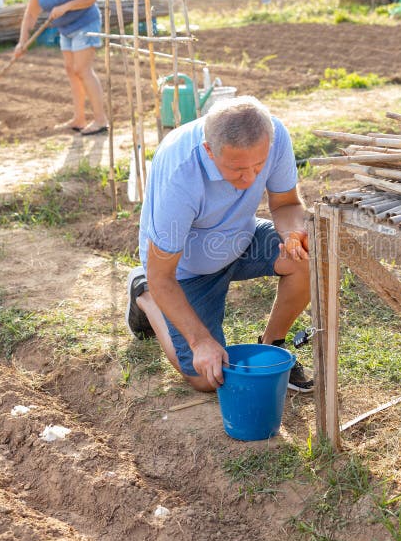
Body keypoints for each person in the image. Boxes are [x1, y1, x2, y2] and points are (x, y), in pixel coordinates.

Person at [125, 96, 314, 393]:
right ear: (209, 151)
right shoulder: (181, 175)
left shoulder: (273, 135)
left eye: (259, 166)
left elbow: (286, 203)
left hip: (240, 237)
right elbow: (163, 276)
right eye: (237, 169)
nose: (251, 177)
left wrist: (292, 233)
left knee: (308, 260)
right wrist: (200, 341)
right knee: (206, 378)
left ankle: (272, 346)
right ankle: (145, 296)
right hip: (182, 268)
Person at [16, 0, 109, 136]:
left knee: (82, 69)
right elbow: (30, 15)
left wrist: (66, 6)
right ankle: (79, 119)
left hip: (86, 23)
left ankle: (101, 120)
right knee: (70, 70)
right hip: (66, 29)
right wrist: (22, 41)